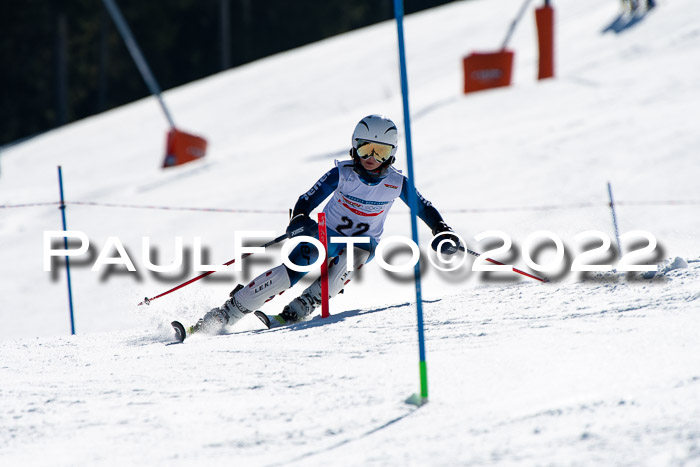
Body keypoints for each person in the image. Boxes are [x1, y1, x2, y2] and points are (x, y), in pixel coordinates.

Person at [188, 114, 461, 335]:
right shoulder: (342, 173)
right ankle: (225, 314)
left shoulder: (397, 182)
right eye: (366, 148)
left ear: (392, 154)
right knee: (292, 269)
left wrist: (442, 231)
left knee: (353, 257)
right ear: (355, 146)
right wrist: (299, 220)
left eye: (380, 151)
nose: (371, 158)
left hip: (363, 242)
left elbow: (424, 208)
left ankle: (304, 304)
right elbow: (307, 199)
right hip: (324, 234)